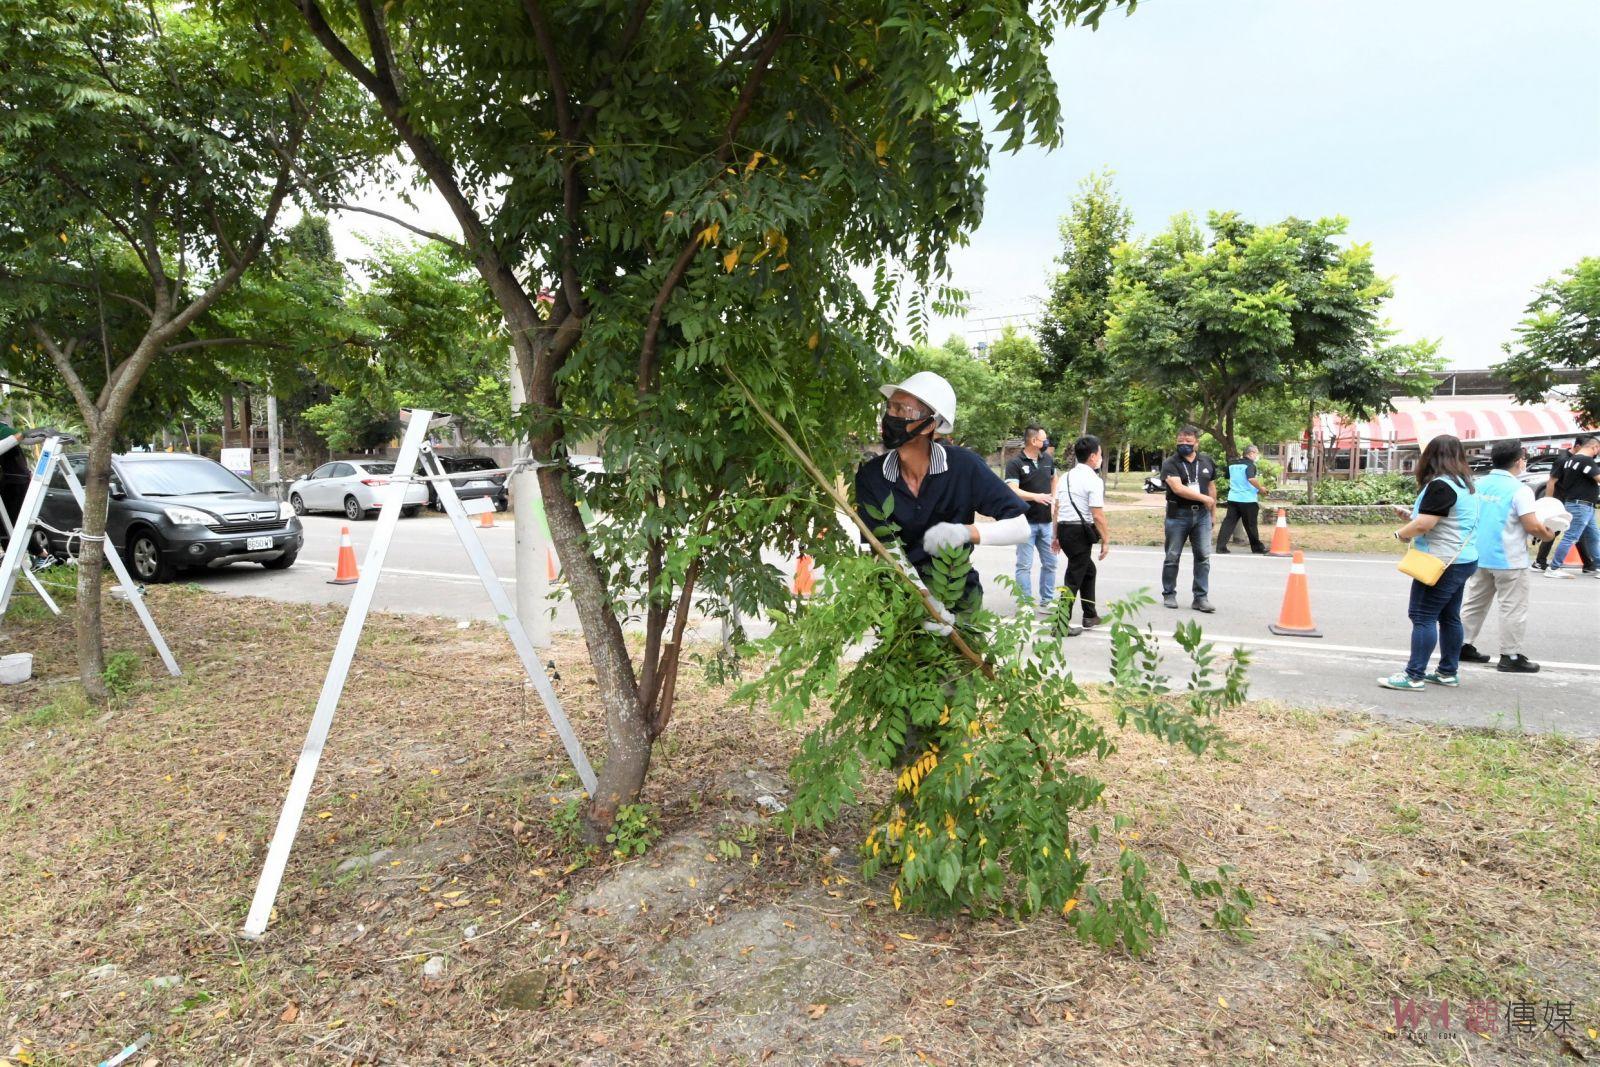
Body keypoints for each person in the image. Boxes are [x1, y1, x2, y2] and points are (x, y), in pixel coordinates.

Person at [854, 372, 1029, 626]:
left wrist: (964, 532)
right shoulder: (871, 476)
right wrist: (925, 603)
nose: (890, 417)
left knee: (964, 653)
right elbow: (885, 549)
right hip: (900, 602)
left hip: (960, 597)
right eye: (890, 407)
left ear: (929, 425)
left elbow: (1020, 527)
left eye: (902, 409)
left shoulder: (964, 467)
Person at [1378, 434, 1481, 692]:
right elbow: (1440, 518)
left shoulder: (1441, 485)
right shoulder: (1465, 484)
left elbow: (1425, 524)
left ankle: (1414, 675)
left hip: (1440, 561)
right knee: (1449, 617)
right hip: (1462, 558)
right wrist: (1411, 517)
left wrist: (1401, 534)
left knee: (1422, 615)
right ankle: (1447, 672)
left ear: (1431, 457)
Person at [1458, 441, 1559, 673]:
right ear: (1518, 461)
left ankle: (1461, 645)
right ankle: (1510, 655)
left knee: (1474, 603)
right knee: (1513, 608)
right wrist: (1548, 534)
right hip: (1509, 559)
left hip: (1478, 555)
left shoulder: (1478, 484)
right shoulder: (1520, 490)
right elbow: (1531, 525)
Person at [1054, 434, 1109, 636]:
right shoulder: (1093, 480)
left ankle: (1090, 614)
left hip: (1065, 530)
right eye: (1100, 454)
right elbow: (1097, 515)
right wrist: (1106, 540)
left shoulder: (1065, 477)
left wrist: (1055, 536)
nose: (1101, 458)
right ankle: (1060, 624)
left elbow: (1057, 509)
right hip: (1079, 533)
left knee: (1088, 570)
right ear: (1093, 456)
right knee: (1073, 577)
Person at [1159, 425, 1217, 612]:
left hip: (1202, 516)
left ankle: (1200, 598)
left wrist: (1212, 513)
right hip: (1178, 514)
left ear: (1196, 443)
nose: (1184, 444)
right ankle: (1169, 594)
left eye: (1188, 441)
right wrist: (1204, 499)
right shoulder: (1170, 463)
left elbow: (1211, 487)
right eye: (1180, 441)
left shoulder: (1207, 461)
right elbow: (1178, 489)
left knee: (1203, 557)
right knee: (1172, 556)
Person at [1004, 424, 1056, 609]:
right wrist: (1036, 497)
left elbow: (1054, 477)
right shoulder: (1015, 463)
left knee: (1050, 563)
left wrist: (1053, 498)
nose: (1046, 442)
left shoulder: (1047, 459)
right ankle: (1025, 604)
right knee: (1024, 566)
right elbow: (1013, 490)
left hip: (1046, 523)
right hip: (1025, 523)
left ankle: (1047, 600)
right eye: (1044, 439)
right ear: (1034, 441)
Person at [1545, 434, 1600, 579]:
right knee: (1571, 537)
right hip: (1581, 506)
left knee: (1594, 536)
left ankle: (1598, 565)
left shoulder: (1571, 460)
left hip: (1578, 504)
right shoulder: (1586, 461)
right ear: (1594, 447)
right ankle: (1553, 567)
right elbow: (1598, 478)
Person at [1215, 443, 1267, 554]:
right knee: (1251, 525)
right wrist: (1261, 488)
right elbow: (1251, 479)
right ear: (1251, 453)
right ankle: (1257, 547)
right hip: (1248, 499)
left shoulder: (1232, 464)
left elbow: (1227, 476)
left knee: (1228, 523)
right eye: (1256, 453)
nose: (1257, 456)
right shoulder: (1250, 465)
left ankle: (1220, 547)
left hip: (1233, 498)